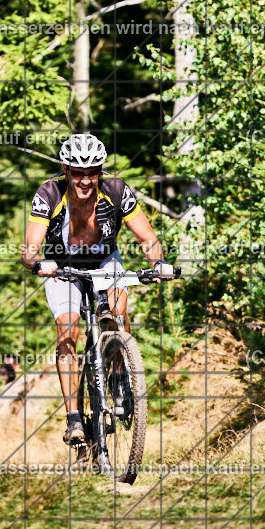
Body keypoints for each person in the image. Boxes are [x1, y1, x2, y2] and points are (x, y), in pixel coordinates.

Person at [21, 133, 173, 445]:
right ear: (66, 170)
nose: (86, 180)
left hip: (104, 262)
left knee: (116, 311)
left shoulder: (116, 190)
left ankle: (119, 373)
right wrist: (38, 263)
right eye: (79, 172)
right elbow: (29, 249)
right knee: (68, 331)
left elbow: (148, 239)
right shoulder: (49, 192)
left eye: (93, 172)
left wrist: (158, 264)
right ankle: (74, 419)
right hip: (62, 267)